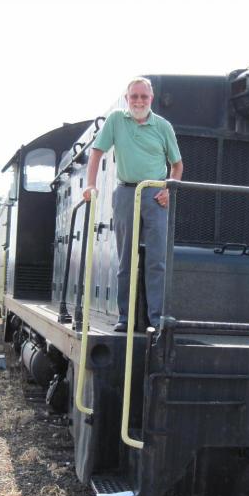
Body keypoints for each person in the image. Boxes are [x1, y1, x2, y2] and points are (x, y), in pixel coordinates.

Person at [83, 77, 183, 331]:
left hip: (155, 194)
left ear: (151, 99)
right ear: (127, 98)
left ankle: (157, 319)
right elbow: (96, 154)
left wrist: (169, 189)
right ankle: (125, 317)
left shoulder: (163, 126)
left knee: (156, 259)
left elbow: (177, 165)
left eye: (144, 97)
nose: (139, 101)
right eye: (134, 96)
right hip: (126, 193)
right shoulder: (116, 120)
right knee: (125, 259)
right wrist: (90, 185)